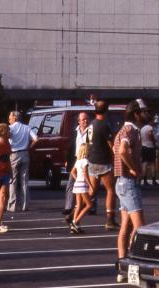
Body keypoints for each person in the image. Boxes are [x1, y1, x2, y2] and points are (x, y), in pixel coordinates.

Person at [113, 99, 149, 281]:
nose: (146, 114)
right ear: (136, 114)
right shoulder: (130, 131)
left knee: (125, 227)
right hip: (128, 182)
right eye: (144, 111)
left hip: (120, 182)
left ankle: (122, 267)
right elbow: (122, 151)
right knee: (140, 227)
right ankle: (134, 266)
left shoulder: (121, 130)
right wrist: (134, 167)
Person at [87, 100, 119, 231]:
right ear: (106, 111)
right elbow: (112, 146)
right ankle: (110, 219)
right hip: (103, 162)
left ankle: (75, 213)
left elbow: (88, 142)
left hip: (92, 161)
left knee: (92, 191)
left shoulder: (91, 124)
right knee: (110, 190)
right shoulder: (104, 125)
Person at [64, 111, 91, 222]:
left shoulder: (90, 131)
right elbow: (70, 146)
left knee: (89, 182)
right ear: (78, 121)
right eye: (83, 119)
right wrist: (67, 160)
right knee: (71, 184)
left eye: (86, 119)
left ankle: (90, 206)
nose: (85, 121)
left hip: (87, 158)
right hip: (76, 158)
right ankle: (69, 207)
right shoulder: (75, 131)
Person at [7, 111, 36, 212]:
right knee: (24, 181)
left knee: (13, 180)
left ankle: (12, 206)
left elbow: (7, 139)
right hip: (25, 153)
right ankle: (25, 205)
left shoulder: (10, 128)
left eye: (10, 118)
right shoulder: (27, 127)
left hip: (14, 154)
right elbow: (36, 139)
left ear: (14, 118)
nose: (9, 120)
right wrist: (28, 147)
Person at [68, 143, 95, 234]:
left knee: (79, 205)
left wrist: (77, 179)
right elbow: (86, 174)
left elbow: (72, 172)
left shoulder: (78, 161)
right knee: (89, 205)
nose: (90, 151)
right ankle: (75, 222)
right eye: (89, 150)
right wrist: (90, 185)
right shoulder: (85, 161)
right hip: (83, 185)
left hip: (77, 184)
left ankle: (75, 225)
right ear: (86, 151)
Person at [140, 112, 157, 186]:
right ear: (150, 121)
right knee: (153, 164)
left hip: (143, 146)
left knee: (144, 163)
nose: (153, 122)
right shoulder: (150, 128)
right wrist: (154, 142)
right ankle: (153, 180)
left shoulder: (142, 128)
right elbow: (151, 135)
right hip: (150, 146)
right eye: (153, 120)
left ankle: (144, 180)